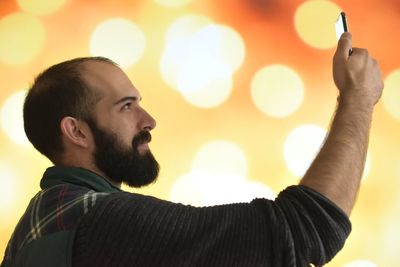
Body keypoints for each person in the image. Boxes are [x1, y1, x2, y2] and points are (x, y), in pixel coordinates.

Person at [1, 32, 383, 267]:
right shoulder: (101, 222)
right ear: (76, 132)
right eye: (126, 106)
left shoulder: (30, 233)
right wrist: (358, 97)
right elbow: (305, 231)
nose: (148, 119)